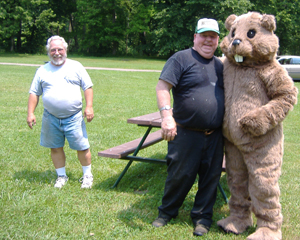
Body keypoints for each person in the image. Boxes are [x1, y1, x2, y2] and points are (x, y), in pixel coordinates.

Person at [152, 18, 224, 236]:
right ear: (195, 37)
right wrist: (166, 116)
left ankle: (202, 218)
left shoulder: (222, 65)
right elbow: (162, 86)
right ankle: (167, 212)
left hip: (215, 135)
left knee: (210, 178)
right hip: (185, 132)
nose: (208, 40)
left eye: (213, 36)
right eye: (204, 35)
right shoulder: (180, 58)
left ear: (218, 40)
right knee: (179, 175)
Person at [27, 35, 94, 189]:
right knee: (55, 147)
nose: (56, 53)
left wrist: (89, 106)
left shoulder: (76, 66)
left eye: (60, 49)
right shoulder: (42, 70)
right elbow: (34, 93)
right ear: (48, 52)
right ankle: (61, 176)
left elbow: (88, 87)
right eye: (53, 50)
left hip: (74, 116)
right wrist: (31, 113)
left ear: (65, 50)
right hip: (50, 117)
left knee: (81, 147)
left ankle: (87, 175)